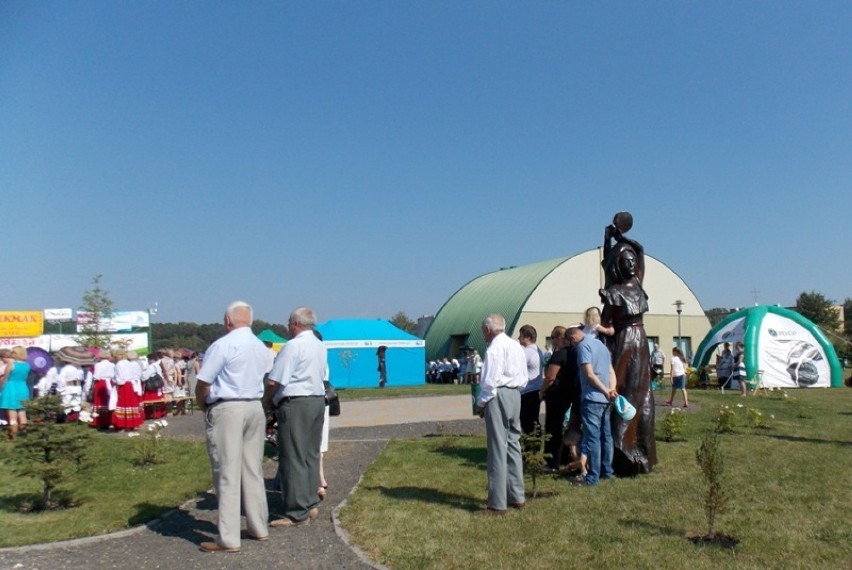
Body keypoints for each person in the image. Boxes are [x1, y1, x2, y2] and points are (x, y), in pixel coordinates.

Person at [195, 301, 270, 553]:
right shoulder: (261, 347)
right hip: (254, 406)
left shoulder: (223, 345)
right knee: (253, 468)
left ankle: (228, 538)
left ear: (228, 321)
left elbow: (204, 381)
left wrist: (202, 403)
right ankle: (258, 526)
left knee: (226, 471)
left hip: (228, 406)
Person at [599, 216, 657, 476]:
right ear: (619, 265)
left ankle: (642, 452)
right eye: (627, 260)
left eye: (633, 260)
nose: (632, 263)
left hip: (641, 342)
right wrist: (607, 239)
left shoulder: (638, 284)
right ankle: (621, 450)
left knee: (643, 393)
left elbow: (641, 249)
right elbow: (605, 323)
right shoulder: (613, 292)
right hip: (622, 343)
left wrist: (622, 238)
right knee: (623, 390)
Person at [264, 307, 327, 528]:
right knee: (310, 453)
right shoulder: (320, 345)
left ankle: (296, 511)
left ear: (295, 324)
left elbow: (275, 380)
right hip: (316, 400)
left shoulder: (293, 346)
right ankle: (310, 502)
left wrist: (267, 401)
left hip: (296, 402)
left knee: (292, 457)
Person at [476, 314, 527, 514]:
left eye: (483, 331)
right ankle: (517, 496)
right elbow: (524, 376)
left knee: (497, 447)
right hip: (515, 394)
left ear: (488, 330)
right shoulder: (516, 346)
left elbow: (490, 380)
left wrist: (482, 403)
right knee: (513, 444)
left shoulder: (495, 348)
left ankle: (497, 503)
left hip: (498, 394)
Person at [566, 324, 617, 486]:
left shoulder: (583, 347)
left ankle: (592, 477)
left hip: (592, 398)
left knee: (592, 438)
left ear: (573, 338)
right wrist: (611, 390)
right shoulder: (601, 345)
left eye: (571, 343)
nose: (573, 346)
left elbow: (589, 374)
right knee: (606, 436)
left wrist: (603, 390)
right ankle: (607, 472)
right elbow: (611, 372)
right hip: (606, 399)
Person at [539, 326, 577, 470]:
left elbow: (550, 377)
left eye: (553, 337)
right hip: (567, 394)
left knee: (552, 428)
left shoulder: (559, 354)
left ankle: (552, 462)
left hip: (555, 395)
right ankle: (562, 458)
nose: (552, 340)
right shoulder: (572, 353)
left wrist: (542, 391)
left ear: (560, 338)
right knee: (562, 427)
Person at [0, 346, 32, 439]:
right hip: (22, 387)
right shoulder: (27, 365)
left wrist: (2, 389)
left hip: (11, 388)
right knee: (22, 413)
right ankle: (24, 435)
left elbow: (5, 378)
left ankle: (14, 437)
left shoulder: (11, 363)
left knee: (12, 414)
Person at [518, 325, 543, 436]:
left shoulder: (526, 352)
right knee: (533, 420)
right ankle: (535, 444)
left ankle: (531, 446)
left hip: (528, 391)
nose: (518, 338)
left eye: (521, 336)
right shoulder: (539, 351)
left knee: (527, 421)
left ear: (527, 338)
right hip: (536, 389)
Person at [113, 350, 144, 430]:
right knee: (134, 403)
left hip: (125, 385)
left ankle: (125, 423)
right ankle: (134, 423)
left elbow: (119, 378)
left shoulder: (119, 364)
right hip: (135, 384)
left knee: (124, 403)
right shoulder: (135, 364)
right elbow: (139, 375)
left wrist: (116, 383)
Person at [90, 351, 116, 429]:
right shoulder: (112, 365)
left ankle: (100, 421)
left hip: (101, 383)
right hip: (110, 382)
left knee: (101, 401)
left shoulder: (98, 365)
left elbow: (97, 376)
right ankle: (110, 420)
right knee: (110, 401)